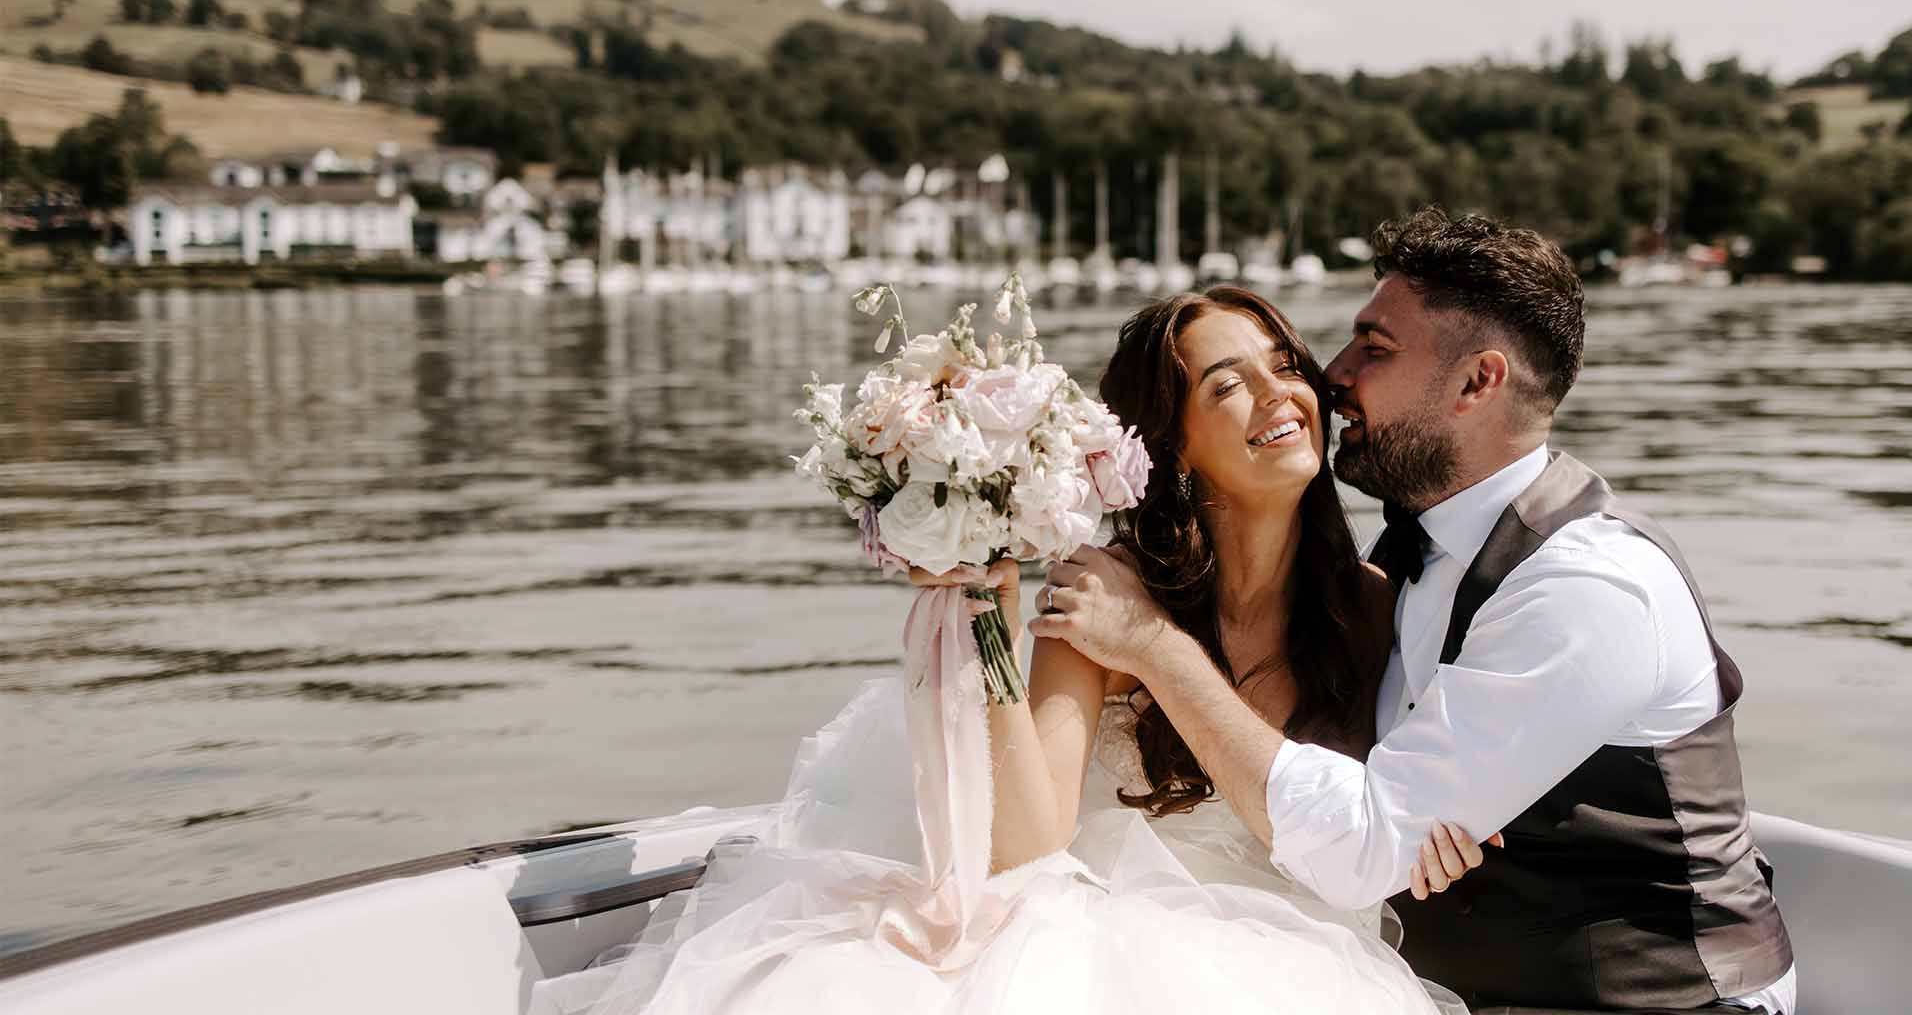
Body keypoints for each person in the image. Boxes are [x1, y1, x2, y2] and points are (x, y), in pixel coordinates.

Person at [541, 286, 1478, 1015]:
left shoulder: (1378, 609)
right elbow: (1030, 849)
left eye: (1285, 366)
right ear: (1174, 447)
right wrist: (990, 595)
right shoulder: (1107, 592)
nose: (1280, 395)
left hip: (1300, 948)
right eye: (1227, 384)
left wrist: (1459, 814)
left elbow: (1426, 792)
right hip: (1098, 928)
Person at [1034, 208, 1796, 1014]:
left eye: (1375, 347)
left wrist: (1153, 645)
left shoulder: (1589, 588)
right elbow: (1386, 817)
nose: (1333, 372)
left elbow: (1364, 845)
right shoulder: (1389, 566)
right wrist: (1423, 816)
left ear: (1477, 382)